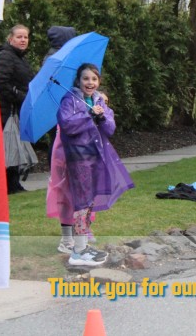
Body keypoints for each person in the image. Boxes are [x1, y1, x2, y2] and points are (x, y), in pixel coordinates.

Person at [56, 63, 133, 267]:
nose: (90, 83)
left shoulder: (99, 100)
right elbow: (67, 124)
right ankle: (78, 251)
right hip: (79, 157)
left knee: (89, 200)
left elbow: (110, 128)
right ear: (78, 81)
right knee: (82, 200)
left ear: (99, 82)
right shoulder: (70, 100)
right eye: (86, 78)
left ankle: (83, 246)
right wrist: (88, 115)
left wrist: (101, 116)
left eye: (94, 79)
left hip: (97, 156)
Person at [44, 26, 79, 252]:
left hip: (77, 142)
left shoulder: (71, 62)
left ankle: (80, 230)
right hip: (64, 142)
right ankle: (67, 238)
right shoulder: (57, 64)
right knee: (65, 188)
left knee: (81, 188)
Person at [0, 24, 38, 193]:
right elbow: (0, 82)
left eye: (26, 37)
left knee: (16, 145)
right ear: (10, 38)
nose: (23, 40)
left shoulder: (20, 58)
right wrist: (20, 96)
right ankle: (8, 184)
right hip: (7, 110)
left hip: (17, 109)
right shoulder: (5, 56)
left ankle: (14, 183)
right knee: (9, 145)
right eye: (19, 37)